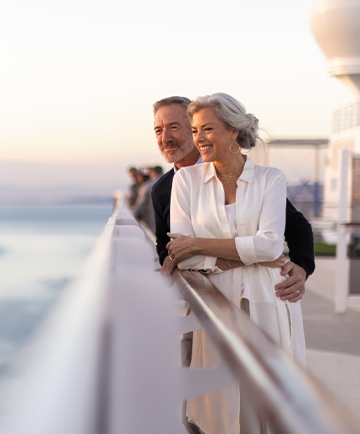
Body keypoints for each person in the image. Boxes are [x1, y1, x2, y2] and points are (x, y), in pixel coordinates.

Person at [165, 93, 307, 434]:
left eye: (208, 129)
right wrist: (248, 255)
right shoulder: (186, 181)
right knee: (220, 407)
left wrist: (201, 245)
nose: (198, 138)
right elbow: (181, 252)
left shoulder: (270, 178)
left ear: (233, 131)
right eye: (195, 130)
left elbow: (271, 243)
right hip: (216, 304)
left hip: (268, 301)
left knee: (267, 403)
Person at [150, 96, 315, 301]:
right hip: (204, 299)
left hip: (265, 295)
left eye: (173, 127)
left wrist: (302, 266)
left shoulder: (263, 179)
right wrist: (255, 260)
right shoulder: (162, 189)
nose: (165, 138)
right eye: (158, 130)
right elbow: (171, 251)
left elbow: (294, 228)